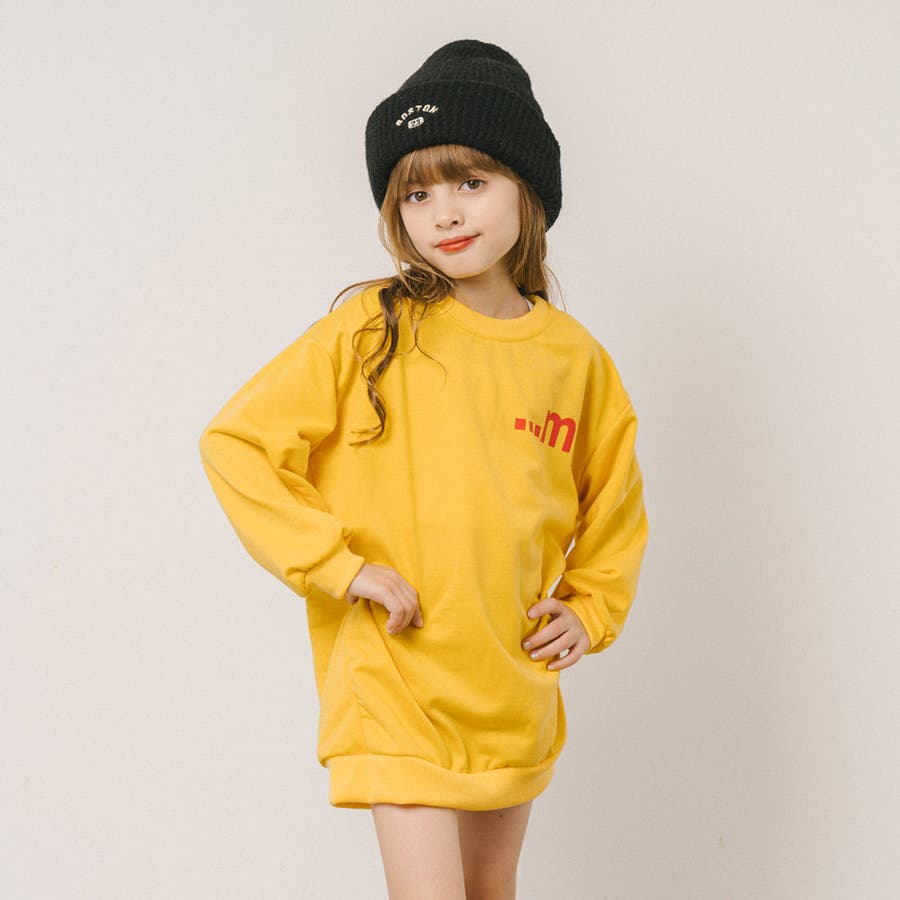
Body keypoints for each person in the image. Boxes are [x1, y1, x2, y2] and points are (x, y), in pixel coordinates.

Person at [199, 38, 649, 900]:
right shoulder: (372, 328)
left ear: (528, 189)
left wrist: (590, 609)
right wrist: (338, 566)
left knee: (490, 886)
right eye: (417, 192)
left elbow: (614, 509)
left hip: (510, 678)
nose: (444, 212)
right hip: (394, 671)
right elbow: (238, 443)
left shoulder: (575, 360)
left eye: (471, 182)